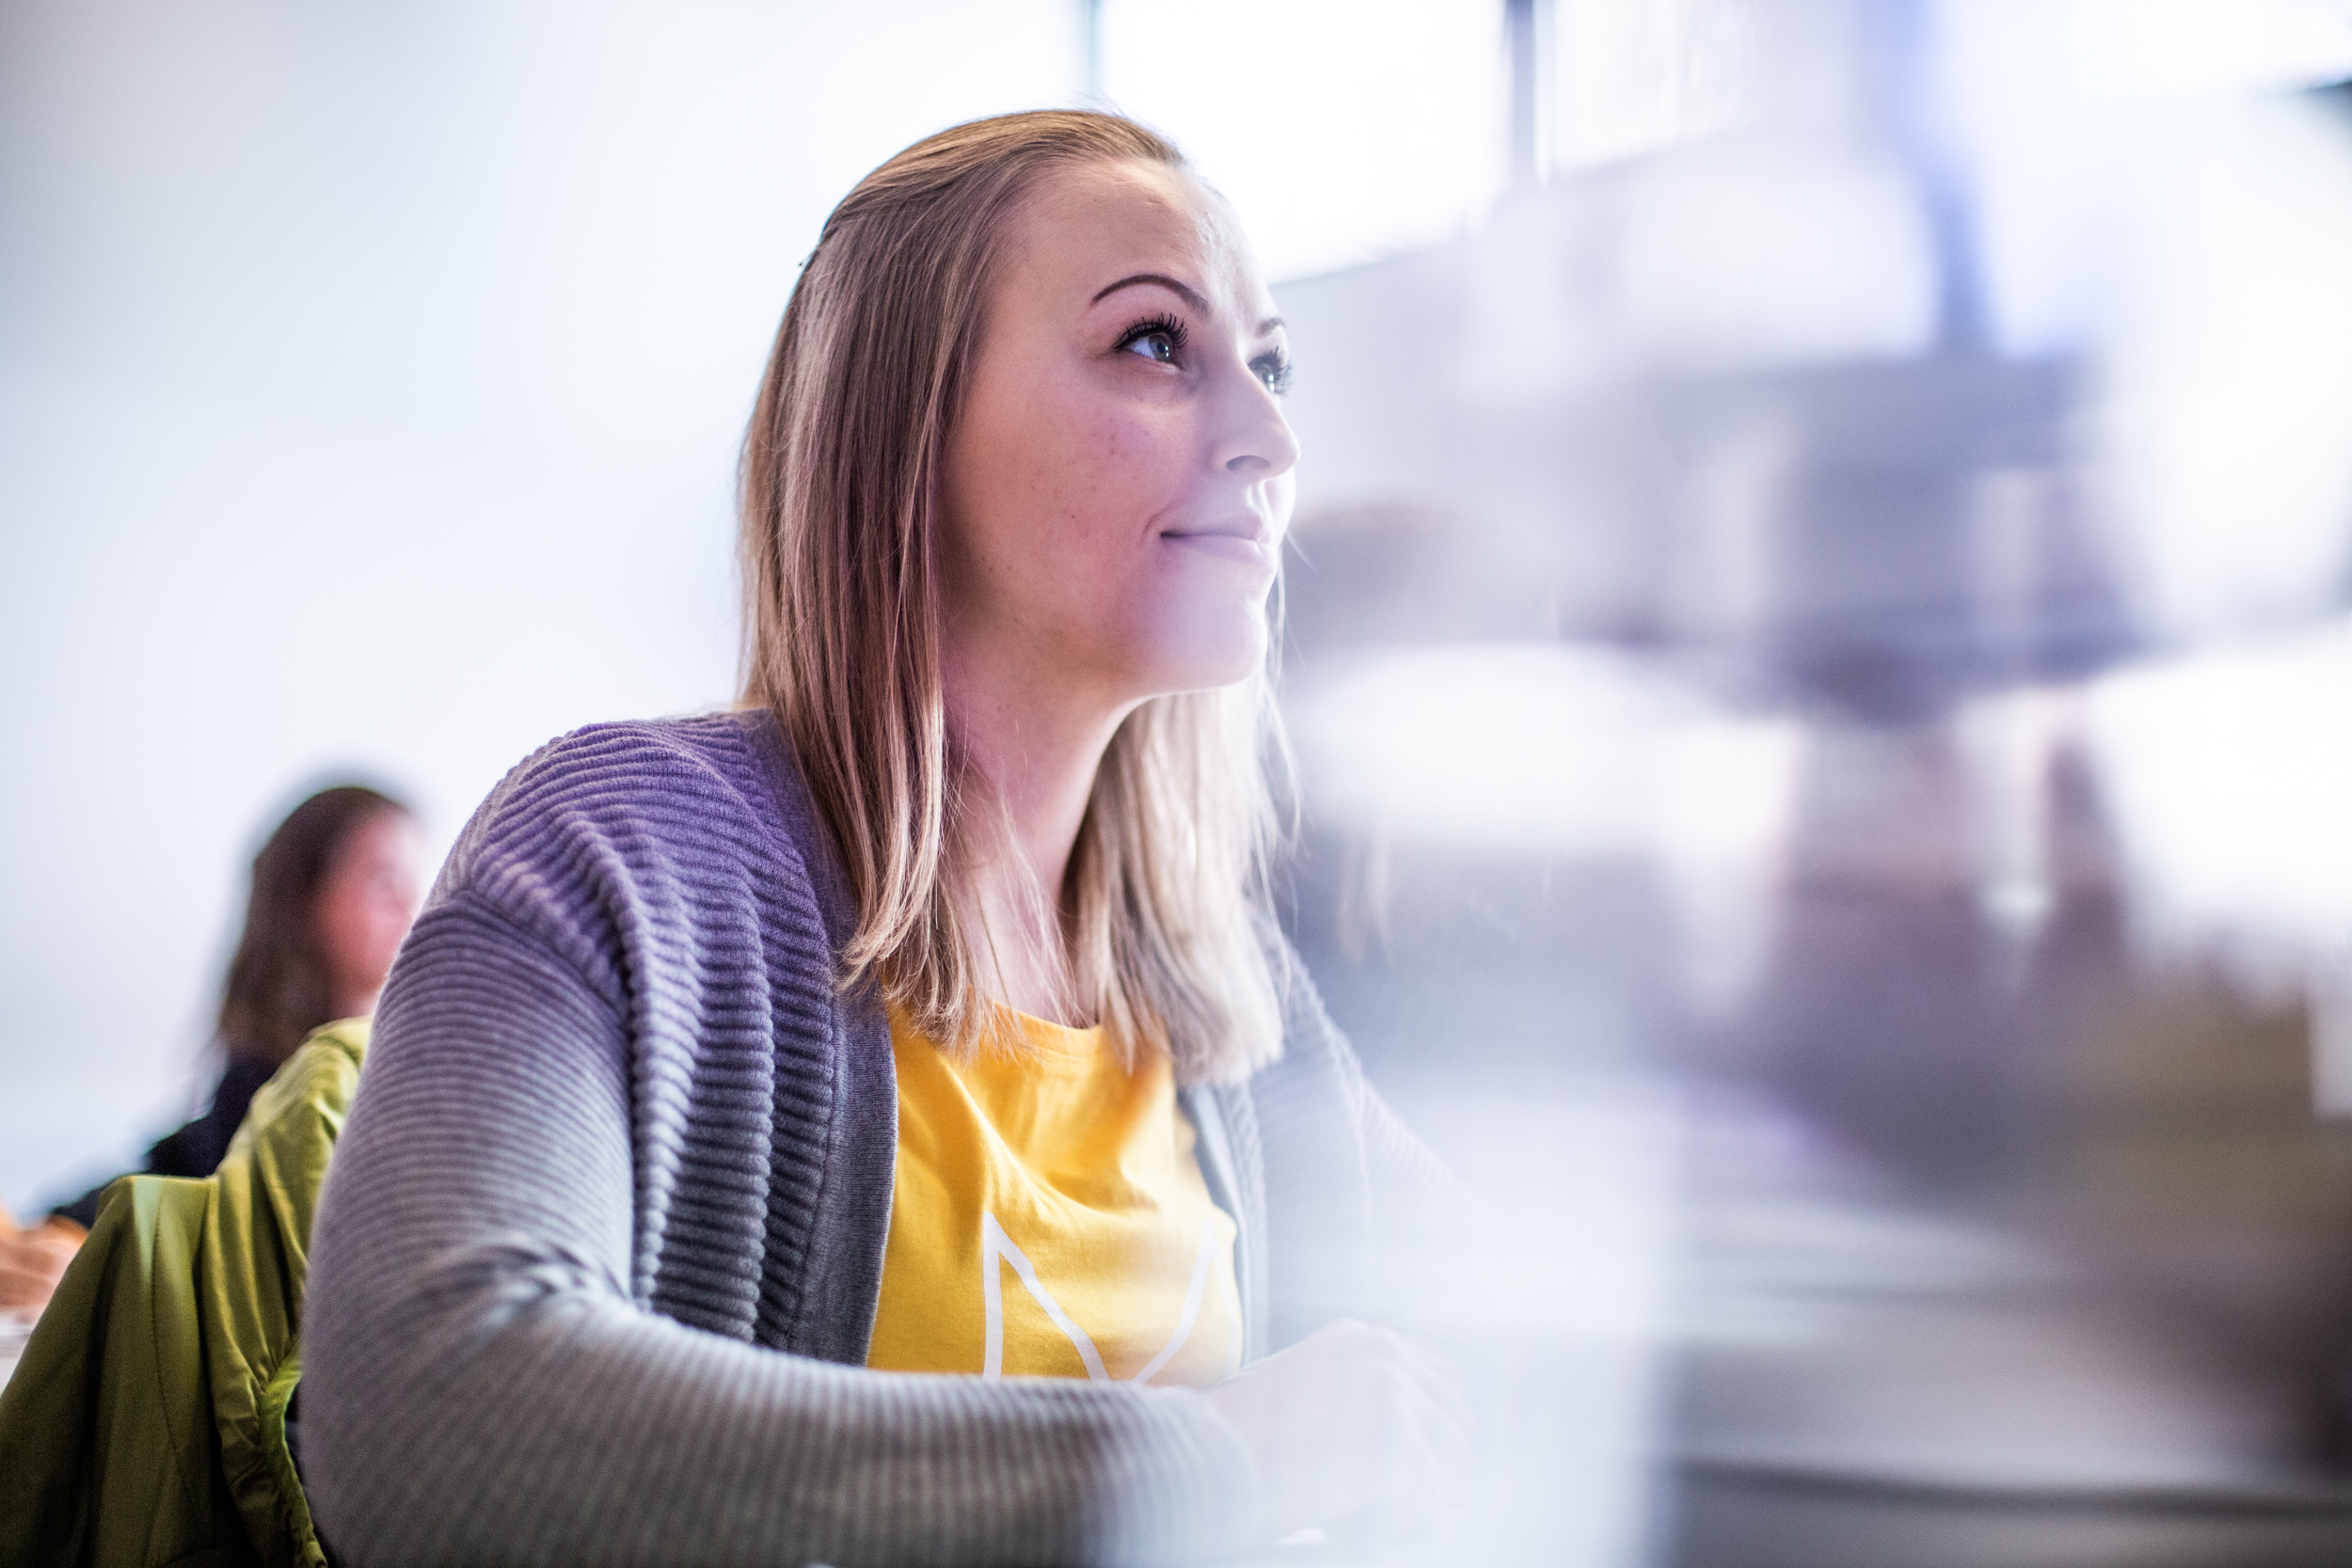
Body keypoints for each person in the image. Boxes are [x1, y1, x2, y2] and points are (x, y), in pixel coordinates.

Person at [301, 111, 1472, 1567]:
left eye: (1271, 361)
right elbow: (431, 1416)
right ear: (904, 418)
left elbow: (1524, 1315)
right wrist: (1210, 1457)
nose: (1273, 435)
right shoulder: (621, 854)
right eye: (1158, 343)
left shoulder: (1225, 997)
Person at [0, 785, 425, 1313]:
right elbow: (186, 1184)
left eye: (416, 881)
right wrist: (66, 1245)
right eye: (384, 879)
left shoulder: (423, 1079)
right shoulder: (260, 1091)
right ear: (305, 898)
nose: (412, 905)